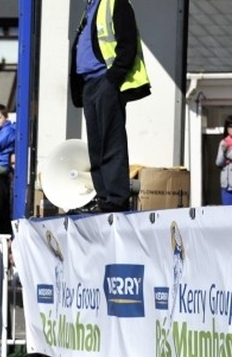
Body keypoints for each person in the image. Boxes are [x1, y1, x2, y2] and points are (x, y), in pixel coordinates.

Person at [70, 0, 150, 213]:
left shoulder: (116, 3)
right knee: (96, 147)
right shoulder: (90, 7)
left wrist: (112, 79)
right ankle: (104, 197)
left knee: (111, 144)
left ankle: (115, 200)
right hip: (90, 84)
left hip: (105, 82)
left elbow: (127, 44)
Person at [216, 115, 232, 206]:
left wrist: (228, 151)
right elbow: (218, 162)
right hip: (226, 185)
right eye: (229, 126)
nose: (231, 129)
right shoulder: (223, 142)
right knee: (227, 213)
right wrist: (223, 152)